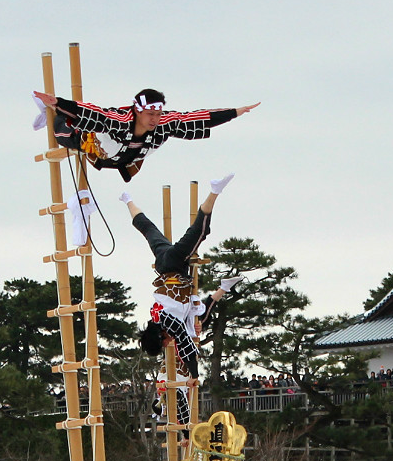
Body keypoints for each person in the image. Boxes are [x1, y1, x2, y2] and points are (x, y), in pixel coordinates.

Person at [126, 175, 243, 426]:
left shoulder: (168, 322)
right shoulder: (157, 317)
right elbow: (183, 341)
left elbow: (187, 348)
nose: (169, 341)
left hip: (176, 266)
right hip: (167, 271)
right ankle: (128, 201)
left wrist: (193, 375)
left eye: (165, 340)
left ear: (162, 337)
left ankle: (214, 192)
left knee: (200, 231)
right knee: (149, 231)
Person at [33, 88, 259, 182]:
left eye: (158, 113)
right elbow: (95, 113)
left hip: (127, 160)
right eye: (150, 113)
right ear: (137, 110)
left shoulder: (164, 123)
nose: (155, 118)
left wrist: (235, 112)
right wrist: (58, 103)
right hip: (96, 145)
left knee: (180, 123)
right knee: (62, 131)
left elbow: (198, 118)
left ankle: (55, 109)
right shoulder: (119, 119)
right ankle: (49, 111)